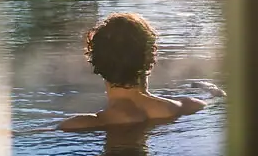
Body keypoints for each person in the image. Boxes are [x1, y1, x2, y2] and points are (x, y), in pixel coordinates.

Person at [59, 12, 212, 131]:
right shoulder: (188, 106)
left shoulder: (81, 124)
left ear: (95, 61)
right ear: (151, 59)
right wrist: (214, 91)